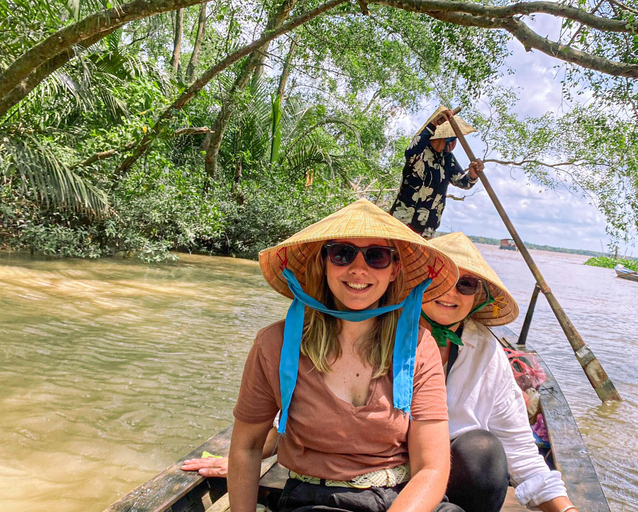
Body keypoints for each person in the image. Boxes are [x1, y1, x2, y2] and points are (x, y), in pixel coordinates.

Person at [225, 199, 463, 512]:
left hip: (400, 498)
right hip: (316, 501)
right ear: (325, 263)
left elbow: (431, 467)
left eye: (376, 256)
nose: (358, 269)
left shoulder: (419, 346)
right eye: (343, 254)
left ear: (395, 270)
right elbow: (247, 446)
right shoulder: (275, 344)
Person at [420, 232, 576, 512]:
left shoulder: (485, 351)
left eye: (465, 284)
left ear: (478, 296)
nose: (449, 292)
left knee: (483, 451)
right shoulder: (384, 333)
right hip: (389, 469)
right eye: (439, 277)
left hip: (451, 477)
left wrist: (566, 509)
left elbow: (518, 446)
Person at [390, 107, 484, 239]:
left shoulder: (448, 159)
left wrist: (473, 175)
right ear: (447, 138)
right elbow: (410, 151)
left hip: (427, 230)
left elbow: (463, 182)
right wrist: (433, 124)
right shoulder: (419, 151)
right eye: (453, 139)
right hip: (403, 224)